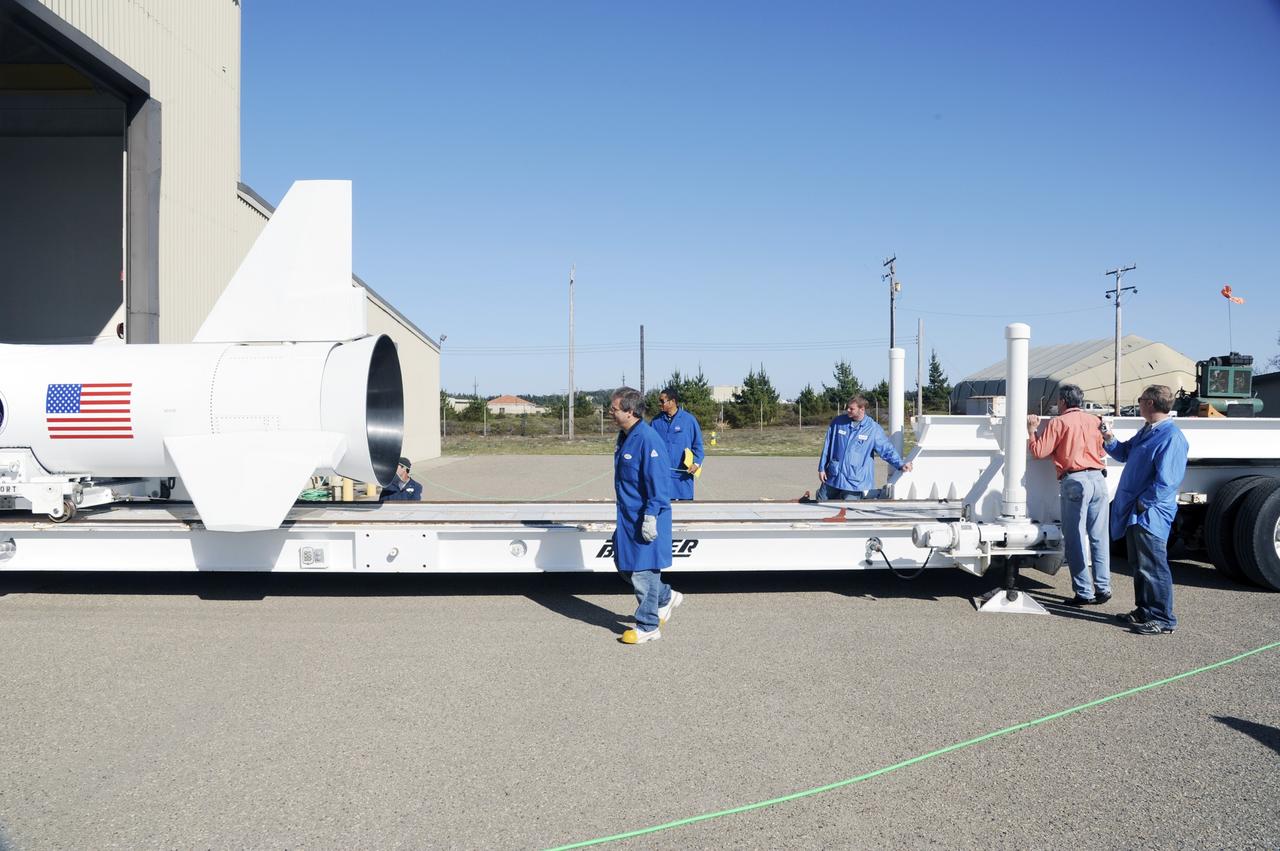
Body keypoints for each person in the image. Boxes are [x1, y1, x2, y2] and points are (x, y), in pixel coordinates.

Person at [1102, 385, 1189, 635]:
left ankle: (1163, 618)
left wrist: (1143, 504)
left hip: (1149, 514)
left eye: (1140, 400)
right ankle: (1145, 609)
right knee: (1139, 563)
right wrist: (1108, 437)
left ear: (1150, 403)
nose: (1138, 403)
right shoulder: (1149, 431)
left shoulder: (1171, 437)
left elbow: (1167, 481)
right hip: (1136, 511)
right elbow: (1124, 453)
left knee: (1153, 565)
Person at [609, 387, 682, 644]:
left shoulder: (648, 439)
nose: (610, 412)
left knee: (642, 573)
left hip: (645, 516)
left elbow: (659, 483)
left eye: (614, 408)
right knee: (623, 565)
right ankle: (665, 596)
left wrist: (651, 516)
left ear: (629, 411)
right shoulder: (625, 435)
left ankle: (648, 625)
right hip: (627, 517)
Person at [1027, 384, 1111, 606]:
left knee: (1074, 539)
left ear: (1063, 402)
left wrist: (1032, 430)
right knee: (1099, 537)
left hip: (1075, 480)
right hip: (1098, 479)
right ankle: (1103, 587)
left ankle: (1084, 592)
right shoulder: (1094, 421)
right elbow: (1103, 450)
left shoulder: (1059, 422)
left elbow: (1038, 452)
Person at [817, 396, 912, 501]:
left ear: (862, 409)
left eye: (851, 409)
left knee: (849, 509)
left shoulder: (873, 429)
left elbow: (886, 450)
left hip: (855, 480)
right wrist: (822, 468)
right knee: (821, 499)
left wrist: (900, 464)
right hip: (834, 476)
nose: (848, 410)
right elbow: (827, 446)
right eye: (847, 408)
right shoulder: (838, 422)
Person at [651, 386, 704, 501]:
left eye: (662, 401)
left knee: (684, 514)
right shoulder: (655, 422)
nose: (659, 404)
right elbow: (648, 446)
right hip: (661, 477)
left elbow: (698, 446)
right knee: (662, 513)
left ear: (673, 402)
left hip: (682, 478)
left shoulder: (689, 420)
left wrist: (696, 463)